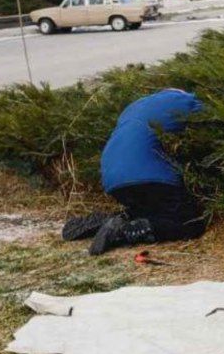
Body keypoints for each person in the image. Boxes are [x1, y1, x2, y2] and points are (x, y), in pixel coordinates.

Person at [61, 88, 206, 255]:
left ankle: (117, 219)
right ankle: (125, 231)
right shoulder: (186, 101)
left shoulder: (134, 106)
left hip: (111, 177)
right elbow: (214, 120)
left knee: (152, 210)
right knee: (190, 224)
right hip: (148, 174)